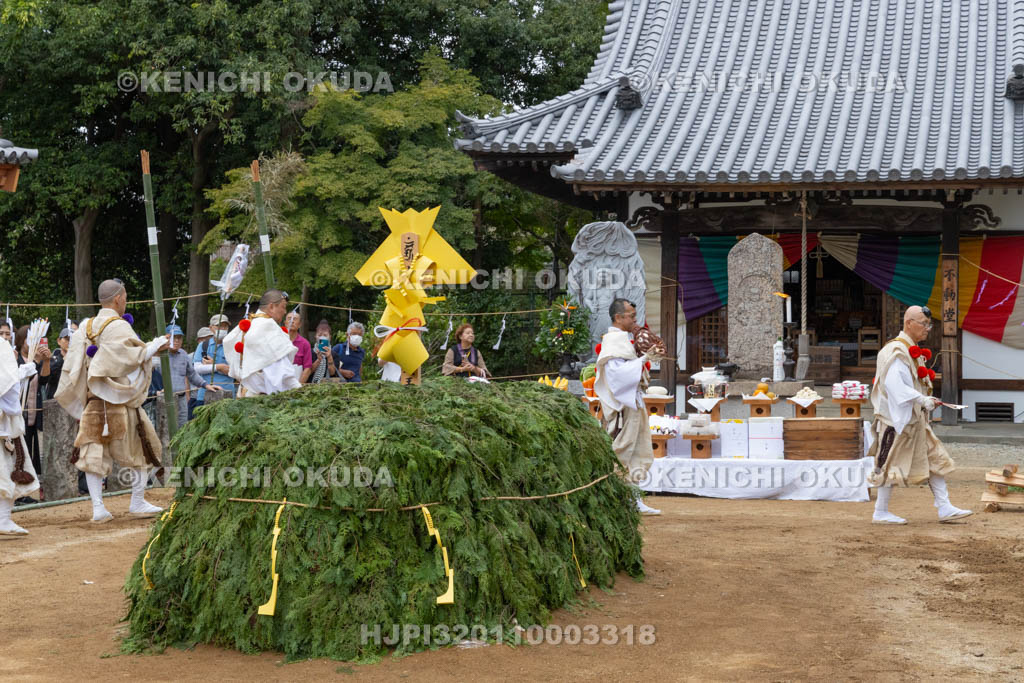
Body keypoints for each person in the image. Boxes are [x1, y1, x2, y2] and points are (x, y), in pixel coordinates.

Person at [54, 279, 168, 522]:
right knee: (142, 447)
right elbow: (128, 357)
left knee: (93, 453)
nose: (125, 302)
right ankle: (134, 502)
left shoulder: (85, 327)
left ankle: (99, 508)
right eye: (125, 297)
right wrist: (153, 347)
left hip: (94, 399)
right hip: (118, 399)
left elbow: (75, 365)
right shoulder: (117, 326)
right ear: (117, 298)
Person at [868, 305, 971, 524]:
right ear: (909, 323)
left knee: (935, 458)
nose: (927, 329)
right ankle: (880, 511)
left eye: (928, 324)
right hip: (896, 420)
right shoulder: (895, 351)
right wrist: (922, 399)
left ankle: (944, 506)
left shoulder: (910, 349)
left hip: (915, 417)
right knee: (889, 465)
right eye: (923, 324)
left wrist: (924, 400)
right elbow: (896, 386)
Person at [594, 298, 660, 516]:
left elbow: (626, 371)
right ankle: (614, 500)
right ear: (618, 318)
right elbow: (617, 376)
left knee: (637, 453)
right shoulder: (613, 341)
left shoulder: (623, 339)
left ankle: (634, 499)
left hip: (633, 403)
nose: (634, 319)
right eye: (631, 315)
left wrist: (644, 357)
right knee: (622, 454)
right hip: (623, 408)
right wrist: (643, 360)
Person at [224, 289, 300, 396]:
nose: (285, 311)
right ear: (271, 307)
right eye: (283, 307)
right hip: (262, 398)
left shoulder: (251, 323)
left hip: (244, 392)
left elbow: (228, 343)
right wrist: (299, 392)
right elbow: (281, 371)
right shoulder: (268, 327)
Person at [0, 332, 40, 534]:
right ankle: (3, 519)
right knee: (6, 470)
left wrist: (21, 374)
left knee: (6, 471)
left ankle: (4, 519)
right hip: (3, 423)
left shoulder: (2, 345)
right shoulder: (2, 346)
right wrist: (22, 373)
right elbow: (7, 387)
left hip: (4, 425)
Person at [160, 324, 220, 428]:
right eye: (174, 337)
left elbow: (192, 374)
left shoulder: (183, 354)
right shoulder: (159, 355)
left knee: (182, 427)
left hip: (181, 399)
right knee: (165, 430)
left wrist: (206, 385)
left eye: (179, 338)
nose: (177, 340)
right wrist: (156, 389)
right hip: (164, 399)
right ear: (167, 338)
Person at [14, 324, 51, 489]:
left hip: (34, 413)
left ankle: (32, 485)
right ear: (22, 341)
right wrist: (35, 361)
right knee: (22, 450)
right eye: (30, 339)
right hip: (19, 412)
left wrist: (46, 361)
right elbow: (23, 380)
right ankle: (21, 486)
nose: (34, 343)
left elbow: (43, 381)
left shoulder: (34, 359)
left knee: (34, 450)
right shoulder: (16, 360)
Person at [286, 310, 313, 383]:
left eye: (294, 319)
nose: (292, 321)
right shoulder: (278, 340)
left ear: (300, 325)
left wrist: (298, 387)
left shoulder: (305, 343)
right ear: (285, 323)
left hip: (296, 382)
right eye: (289, 319)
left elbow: (307, 368)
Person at [46, 327, 72, 398]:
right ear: (59, 341)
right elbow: (50, 378)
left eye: (72, 339)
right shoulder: (53, 359)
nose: (69, 342)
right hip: (54, 399)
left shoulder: (78, 361)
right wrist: (64, 358)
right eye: (67, 339)